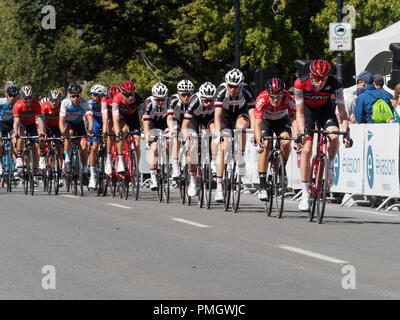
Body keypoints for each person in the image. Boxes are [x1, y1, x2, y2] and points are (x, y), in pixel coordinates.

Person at [295, 59, 352, 211]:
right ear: (311, 75)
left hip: (325, 111)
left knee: (334, 136)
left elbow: (342, 113)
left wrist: (346, 133)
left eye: (323, 79)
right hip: (307, 113)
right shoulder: (300, 83)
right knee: (306, 150)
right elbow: (299, 114)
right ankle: (304, 193)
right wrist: (301, 133)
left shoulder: (335, 84)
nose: (320, 82)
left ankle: (331, 165)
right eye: (316, 78)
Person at [214, 69, 255, 202]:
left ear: (240, 85)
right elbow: (217, 115)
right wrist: (218, 134)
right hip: (225, 116)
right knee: (223, 147)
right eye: (230, 86)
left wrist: (254, 131)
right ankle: (219, 187)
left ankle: (241, 155)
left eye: (235, 86)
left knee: (241, 127)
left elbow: (252, 112)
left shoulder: (246, 90)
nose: (232, 89)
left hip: (240, 113)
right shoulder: (221, 90)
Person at [253, 78, 296, 201]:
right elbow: (257, 124)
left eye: (278, 96)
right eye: (272, 97)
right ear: (268, 93)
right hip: (266, 121)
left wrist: (297, 137)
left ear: (283, 93)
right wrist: (259, 141)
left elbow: (294, 120)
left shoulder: (288, 99)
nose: (275, 100)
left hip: (282, 120)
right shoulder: (261, 99)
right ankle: (262, 187)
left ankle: (282, 169)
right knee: (265, 146)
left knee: (286, 142)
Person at [181, 82, 217, 197]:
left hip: (209, 119)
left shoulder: (216, 102)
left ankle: (213, 164)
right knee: (194, 144)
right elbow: (184, 125)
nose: (209, 103)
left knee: (215, 133)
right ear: (201, 98)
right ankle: (192, 180)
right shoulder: (194, 100)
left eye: (211, 100)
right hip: (194, 119)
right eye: (206, 101)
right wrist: (187, 139)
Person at [59, 82, 94, 184]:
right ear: (69, 96)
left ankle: (84, 169)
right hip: (68, 122)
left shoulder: (84, 102)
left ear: (80, 96)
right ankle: (67, 160)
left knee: (83, 146)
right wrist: (62, 132)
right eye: (73, 96)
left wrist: (90, 131)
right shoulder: (65, 103)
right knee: (68, 134)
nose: (75, 99)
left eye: (77, 96)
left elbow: (90, 119)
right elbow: (61, 120)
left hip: (79, 124)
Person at [142, 82, 169, 191]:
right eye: (158, 100)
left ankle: (167, 163)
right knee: (154, 147)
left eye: (162, 99)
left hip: (165, 122)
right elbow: (146, 123)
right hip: (152, 123)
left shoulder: (169, 102)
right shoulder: (149, 103)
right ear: (153, 97)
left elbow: (172, 119)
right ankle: (153, 178)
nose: (160, 102)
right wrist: (148, 138)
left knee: (170, 141)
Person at [112, 81, 144, 173]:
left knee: (137, 142)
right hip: (121, 116)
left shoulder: (138, 98)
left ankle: (136, 166)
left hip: (133, 117)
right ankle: (121, 160)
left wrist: (146, 129)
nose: (130, 97)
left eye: (132, 94)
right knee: (122, 132)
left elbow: (143, 117)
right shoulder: (117, 98)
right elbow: (115, 118)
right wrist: (118, 133)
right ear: (122, 94)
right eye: (127, 95)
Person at [13, 85, 45, 173]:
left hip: (32, 125)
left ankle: (36, 168)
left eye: (30, 98)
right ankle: (19, 156)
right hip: (21, 124)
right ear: (22, 97)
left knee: (35, 146)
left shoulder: (36, 104)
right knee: (21, 133)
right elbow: (16, 121)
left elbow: (39, 119)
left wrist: (41, 131)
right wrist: (16, 133)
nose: (28, 100)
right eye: (26, 98)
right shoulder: (18, 105)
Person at [167, 79, 194, 179]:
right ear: (178, 93)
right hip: (176, 121)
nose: (186, 97)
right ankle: (175, 165)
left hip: (189, 122)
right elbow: (169, 117)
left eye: (189, 94)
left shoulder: (194, 100)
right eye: (183, 94)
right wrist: (171, 130)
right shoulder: (173, 100)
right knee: (175, 138)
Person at [87, 84, 108, 189]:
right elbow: (88, 118)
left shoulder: (105, 102)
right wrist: (90, 131)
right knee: (94, 148)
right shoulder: (90, 103)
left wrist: (105, 133)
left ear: (101, 96)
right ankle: (92, 176)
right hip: (94, 122)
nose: (92, 97)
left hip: (104, 122)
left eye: (95, 95)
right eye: (92, 95)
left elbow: (106, 119)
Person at [40, 89, 64, 171]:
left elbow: (64, 120)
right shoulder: (44, 106)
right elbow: (41, 121)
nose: (54, 103)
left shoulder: (61, 106)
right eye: (52, 100)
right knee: (41, 138)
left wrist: (63, 133)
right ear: (49, 99)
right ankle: (42, 156)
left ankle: (61, 170)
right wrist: (42, 132)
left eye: (57, 101)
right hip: (46, 126)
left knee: (60, 148)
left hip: (57, 127)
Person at [0, 84, 19, 174]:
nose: (12, 98)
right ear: (7, 95)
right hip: (1, 124)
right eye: (10, 96)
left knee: (15, 141)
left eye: (14, 96)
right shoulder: (2, 102)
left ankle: (16, 167)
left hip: (12, 125)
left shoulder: (17, 103)